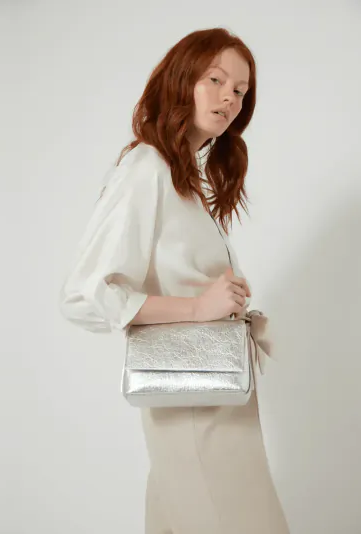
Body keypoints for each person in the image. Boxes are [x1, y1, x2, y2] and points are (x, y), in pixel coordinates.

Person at [58, 27, 290, 534]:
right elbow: (88, 292)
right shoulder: (148, 166)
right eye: (216, 79)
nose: (230, 97)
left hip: (217, 398)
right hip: (194, 407)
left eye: (241, 91)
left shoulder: (184, 178)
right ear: (181, 80)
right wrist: (195, 308)